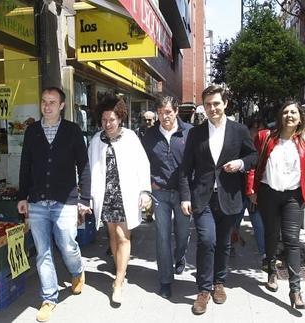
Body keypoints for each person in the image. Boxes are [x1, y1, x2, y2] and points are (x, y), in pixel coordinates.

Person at [178, 85, 257, 315]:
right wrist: (185, 197)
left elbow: (253, 156)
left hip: (229, 197)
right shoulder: (196, 133)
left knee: (223, 243)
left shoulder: (239, 130)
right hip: (202, 197)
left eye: (216, 104)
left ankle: (219, 283)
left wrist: (240, 164)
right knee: (207, 240)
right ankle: (203, 290)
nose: (212, 108)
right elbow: (185, 169)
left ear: (225, 104)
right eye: (208, 104)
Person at [17, 87, 92, 322]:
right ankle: (49, 298)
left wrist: (84, 198)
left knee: (68, 244)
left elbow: (84, 166)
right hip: (38, 202)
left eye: (52, 102)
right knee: (43, 253)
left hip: (65, 200)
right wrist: (22, 196)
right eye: (43, 102)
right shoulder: (32, 131)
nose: (46, 106)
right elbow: (25, 165)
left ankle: (77, 270)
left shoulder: (72, 131)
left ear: (61, 106)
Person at [246, 101, 305, 310]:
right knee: (272, 235)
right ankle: (272, 272)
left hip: (293, 196)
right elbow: (254, 165)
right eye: (285, 112)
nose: (289, 115)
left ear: (300, 117)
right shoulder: (265, 137)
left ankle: (295, 290)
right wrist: (252, 190)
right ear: (280, 116)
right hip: (268, 194)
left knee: (292, 240)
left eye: (293, 112)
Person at [88, 96, 151, 305]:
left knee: (124, 237)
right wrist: (87, 196)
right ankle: (120, 271)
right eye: (105, 119)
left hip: (126, 194)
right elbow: (89, 168)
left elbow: (143, 164)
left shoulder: (131, 137)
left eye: (112, 119)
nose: (108, 123)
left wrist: (144, 192)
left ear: (120, 118)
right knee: (112, 236)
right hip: (105, 195)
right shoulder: (97, 140)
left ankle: (118, 282)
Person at [141, 96, 192, 299]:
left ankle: (180, 257)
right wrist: (147, 188)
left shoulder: (188, 132)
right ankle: (165, 280)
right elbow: (142, 162)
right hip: (159, 192)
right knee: (162, 236)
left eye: (168, 112)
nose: (165, 117)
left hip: (183, 193)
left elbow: (194, 163)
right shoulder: (150, 135)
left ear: (176, 111)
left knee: (182, 234)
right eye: (161, 113)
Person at [231, 119, 268, 263]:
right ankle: (230, 246)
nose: (257, 133)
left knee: (258, 224)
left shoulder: (265, 147)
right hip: (238, 192)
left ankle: (265, 254)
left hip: (255, 194)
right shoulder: (241, 145)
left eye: (261, 129)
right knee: (234, 222)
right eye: (254, 129)